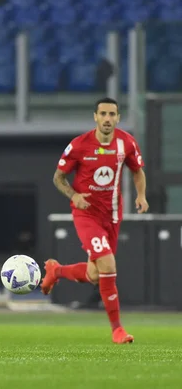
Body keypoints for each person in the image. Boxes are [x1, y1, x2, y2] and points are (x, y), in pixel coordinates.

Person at [40, 97, 149, 344]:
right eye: (103, 114)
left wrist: (141, 196)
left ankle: (56, 271)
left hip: (112, 214)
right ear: (95, 117)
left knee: (95, 274)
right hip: (86, 214)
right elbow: (58, 178)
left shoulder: (126, 142)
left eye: (112, 114)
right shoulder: (79, 145)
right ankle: (117, 330)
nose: (108, 119)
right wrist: (74, 195)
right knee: (108, 265)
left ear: (118, 118)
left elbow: (138, 171)